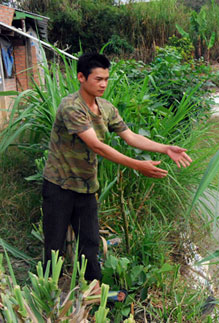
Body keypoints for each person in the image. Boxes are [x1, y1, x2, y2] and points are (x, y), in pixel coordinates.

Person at [42, 53, 192, 281]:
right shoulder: (71, 107)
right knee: (54, 246)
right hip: (59, 186)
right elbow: (97, 146)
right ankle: (46, 292)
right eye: (98, 79)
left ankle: (94, 293)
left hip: (86, 187)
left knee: (90, 244)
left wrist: (165, 148)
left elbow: (130, 136)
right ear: (81, 77)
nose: (103, 84)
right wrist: (138, 165)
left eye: (106, 79)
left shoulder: (106, 108)